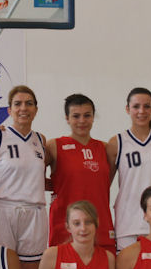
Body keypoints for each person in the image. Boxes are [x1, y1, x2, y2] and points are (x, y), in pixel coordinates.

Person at [0, 85, 49, 269]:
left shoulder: (41, 140)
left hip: (34, 211)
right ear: (9, 110)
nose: (23, 108)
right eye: (17, 104)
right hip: (2, 210)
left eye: (29, 103)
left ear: (36, 109)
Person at [47, 94, 115, 251]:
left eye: (87, 115)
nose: (82, 121)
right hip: (66, 228)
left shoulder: (106, 148)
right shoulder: (54, 146)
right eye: (76, 116)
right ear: (67, 118)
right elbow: (28, 171)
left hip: (101, 224)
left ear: (93, 117)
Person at [106, 88, 151, 251]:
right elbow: (103, 184)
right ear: (127, 109)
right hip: (129, 222)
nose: (141, 111)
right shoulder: (117, 142)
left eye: (146, 106)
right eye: (136, 106)